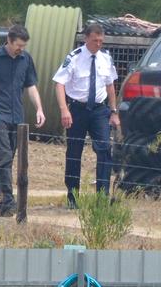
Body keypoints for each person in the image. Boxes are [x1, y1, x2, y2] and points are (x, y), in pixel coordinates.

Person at [0, 24, 46, 216]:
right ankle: (7, 202)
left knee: (7, 160)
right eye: (18, 45)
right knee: (2, 157)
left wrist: (39, 108)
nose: (20, 49)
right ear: (9, 40)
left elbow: (31, 85)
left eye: (23, 45)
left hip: (17, 117)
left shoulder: (26, 59)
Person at [52, 23, 120, 209]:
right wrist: (63, 110)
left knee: (105, 149)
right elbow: (59, 83)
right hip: (77, 109)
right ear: (86, 39)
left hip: (99, 110)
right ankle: (73, 196)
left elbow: (110, 86)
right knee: (74, 152)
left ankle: (102, 196)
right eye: (94, 40)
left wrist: (113, 111)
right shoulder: (74, 58)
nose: (98, 44)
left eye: (101, 41)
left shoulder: (106, 58)